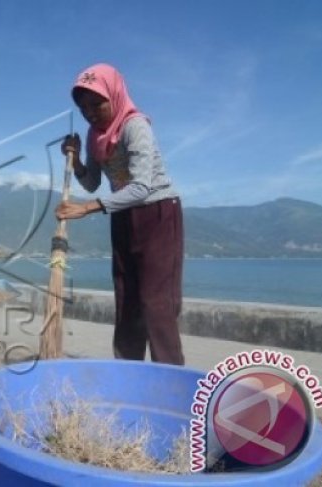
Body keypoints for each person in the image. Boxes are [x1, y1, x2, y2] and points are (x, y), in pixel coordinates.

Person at [56, 63, 184, 366]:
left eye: (96, 102)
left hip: (158, 213)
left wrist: (88, 209)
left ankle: (170, 375)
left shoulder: (135, 126)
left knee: (156, 302)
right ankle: (127, 369)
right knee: (126, 298)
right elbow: (92, 183)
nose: (90, 111)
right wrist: (74, 162)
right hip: (123, 216)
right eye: (83, 106)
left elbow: (141, 187)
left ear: (114, 94)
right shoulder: (94, 135)